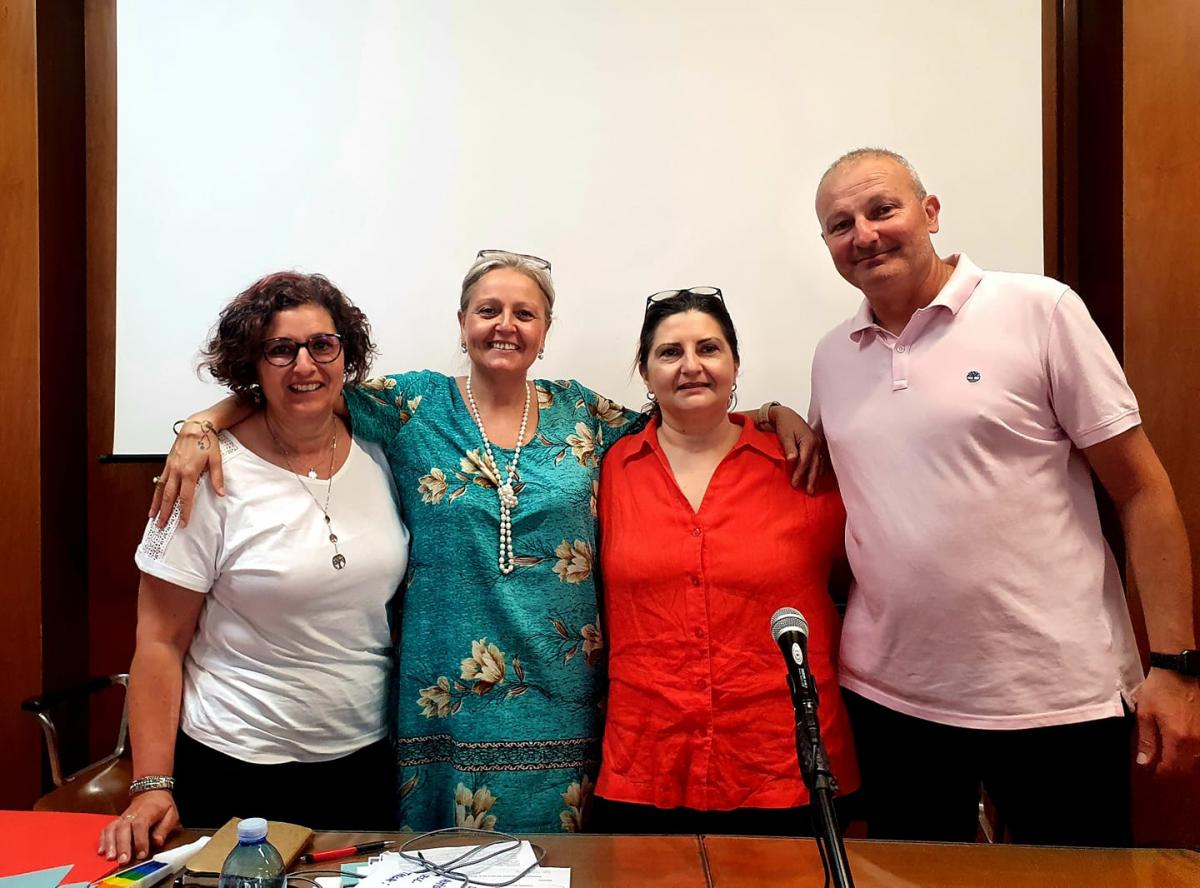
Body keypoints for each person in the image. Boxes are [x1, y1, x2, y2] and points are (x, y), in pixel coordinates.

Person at [150, 251, 821, 833]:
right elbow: (298, 390)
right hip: (440, 702)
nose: (506, 325)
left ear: (546, 330)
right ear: (463, 321)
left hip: (561, 700)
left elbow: (684, 411)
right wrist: (203, 422)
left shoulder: (582, 412)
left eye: (525, 313)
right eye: (489, 310)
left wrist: (769, 413)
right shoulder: (411, 405)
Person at [808, 148, 1200, 846]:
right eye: (841, 225)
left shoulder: (1040, 310)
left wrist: (1175, 665)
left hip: (1055, 698)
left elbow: (1141, 490)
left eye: (882, 209)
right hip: (891, 699)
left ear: (930, 212)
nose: (864, 234)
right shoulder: (834, 355)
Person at [98, 272, 410, 865]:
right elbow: (159, 642)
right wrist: (151, 785)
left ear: (345, 353)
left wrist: (204, 418)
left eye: (322, 345)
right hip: (234, 766)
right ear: (252, 364)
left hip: (364, 763)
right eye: (280, 349)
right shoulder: (204, 476)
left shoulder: (381, 451)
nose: (305, 365)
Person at [592, 287, 858, 835]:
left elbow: (864, 578)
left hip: (786, 764)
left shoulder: (802, 464)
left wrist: (774, 413)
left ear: (735, 364)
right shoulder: (607, 468)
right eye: (670, 352)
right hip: (648, 761)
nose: (691, 366)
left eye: (708, 348)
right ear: (645, 373)